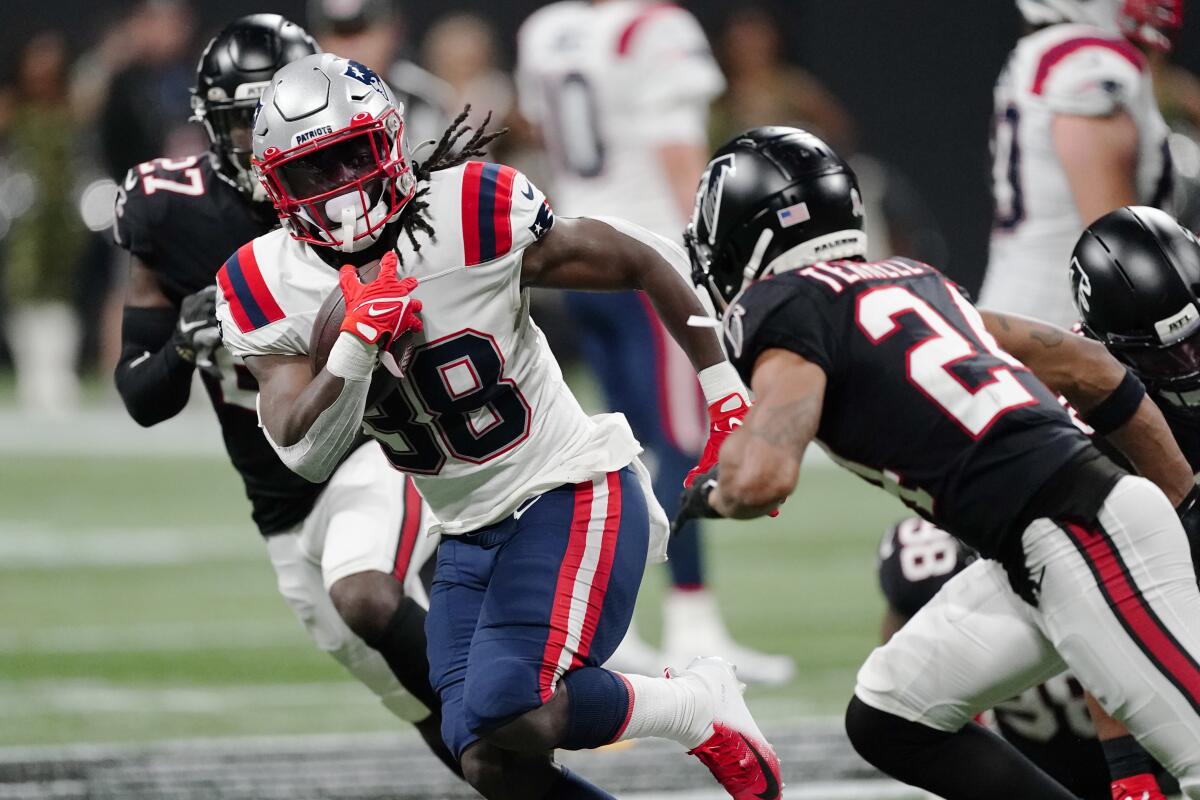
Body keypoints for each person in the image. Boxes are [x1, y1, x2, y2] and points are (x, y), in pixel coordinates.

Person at [215, 52, 781, 800]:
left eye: (353, 154)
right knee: (484, 753)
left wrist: (725, 394)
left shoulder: (468, 210)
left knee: (513, 705)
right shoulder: (264, 281)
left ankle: (694, 705)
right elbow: (304, 455)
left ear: (388, 139)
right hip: (467, 528)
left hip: (570, 489)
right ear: (274, 186)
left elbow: (641, 258)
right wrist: (353, 351)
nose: (343, 188)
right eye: (315, 170)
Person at [678, 126, 1200, 798]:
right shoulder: (917, 279)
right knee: (890, 715)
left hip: (1079, 533)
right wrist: (1183, 505)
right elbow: (1089, 366)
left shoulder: (781, 307)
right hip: (1037, 548)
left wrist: (714, 490)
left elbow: (764, 477)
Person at [110, 16, 455, 774]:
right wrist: (183, 345)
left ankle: (527, 705)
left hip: (379, 447)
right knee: (416, 703)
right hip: (277, 488)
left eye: (269, 114)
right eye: (239, 123)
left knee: (371, 596)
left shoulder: (356, 189)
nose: (255, 139)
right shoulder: (169, 209)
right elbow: (141, 394)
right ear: (208, 125)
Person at [515, 0, 793, 683]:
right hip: (650, 265)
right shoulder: (656, 28)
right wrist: (712, 262)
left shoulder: (547, 31)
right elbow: (679, 157)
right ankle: (691, 626)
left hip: (579, 255)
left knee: (623, 445)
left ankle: (614, 624)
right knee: (686, 442)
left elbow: (540, 130)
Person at [978, 0, 1181, 328]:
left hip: (1030, 326)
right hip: (1066, 340)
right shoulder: (1092, 62)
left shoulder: (1056, 53)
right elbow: (1119, 255)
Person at [2, 30, 88, 416]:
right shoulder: (10, 109)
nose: (45, 67)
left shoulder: (72, 107)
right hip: (24, 218)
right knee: (24, 288)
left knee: (61, 291)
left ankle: (58, 373)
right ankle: (33, 373)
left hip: (64, 217)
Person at [306, 0, 452, 146]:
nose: (353, 46)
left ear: (394, 32)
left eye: (362, 30)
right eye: (339, 33)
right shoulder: (296, 106)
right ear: (316, 39)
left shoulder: (426, 100)